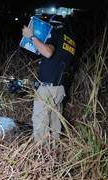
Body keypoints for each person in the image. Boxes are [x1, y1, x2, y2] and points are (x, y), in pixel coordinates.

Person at [22, 13, 76, 144]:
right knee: (55, 125)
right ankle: (55, 153)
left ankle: (41, 158)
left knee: (41, 125)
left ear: (52, 26)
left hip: (47, 89)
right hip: (60, 88)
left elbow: (48, 52)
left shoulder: (55, 34)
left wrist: (32, 36)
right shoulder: (70, 41)